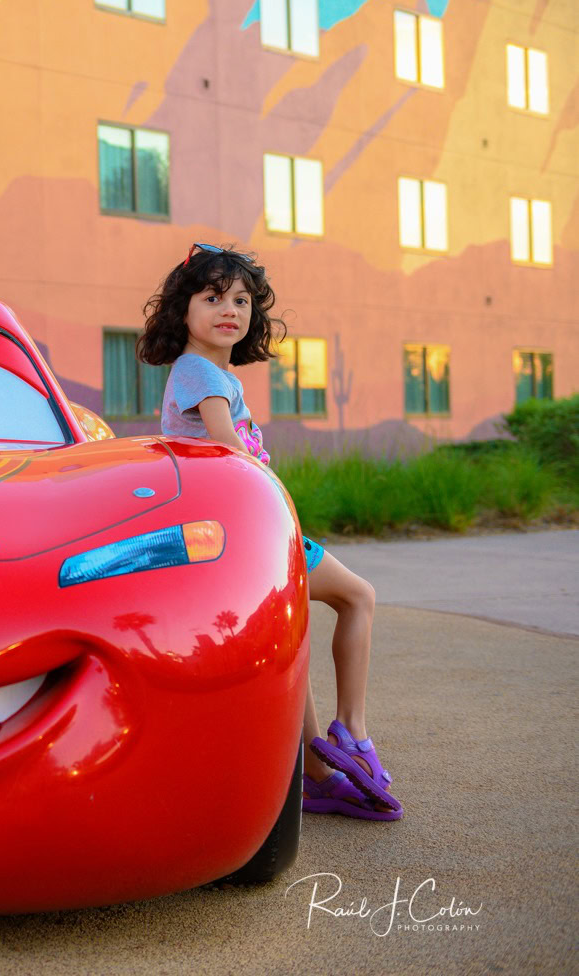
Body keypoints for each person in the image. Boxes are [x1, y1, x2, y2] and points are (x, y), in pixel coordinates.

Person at [137, 242, 401, 821]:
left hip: (246, 527)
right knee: (358, 595)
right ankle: (351, 730)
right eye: (212, 298)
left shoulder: (209, 372)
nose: (229, 309)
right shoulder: (198, 371)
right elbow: (230, 450)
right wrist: (274, 494)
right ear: (183, 310)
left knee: (296, 630)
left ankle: (316, 771)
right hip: (249, 527)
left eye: (241, 299)